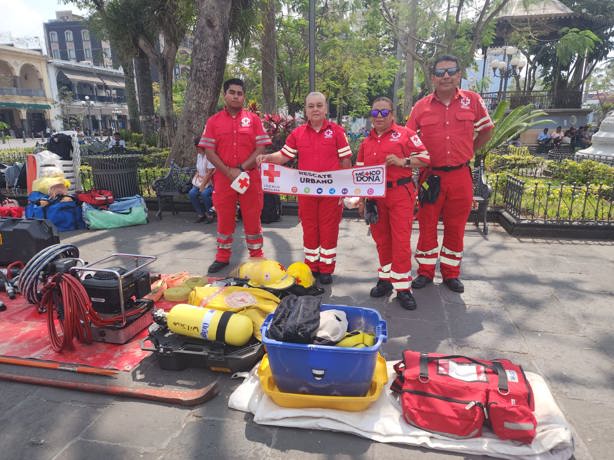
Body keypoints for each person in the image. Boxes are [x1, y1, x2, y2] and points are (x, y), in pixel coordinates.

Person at [406, 55, 494, 294]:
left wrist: (470, 151)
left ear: (458, 75)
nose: (446, 76)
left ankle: (451, 273)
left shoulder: (472, 101)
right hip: (430, 176)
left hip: (460, 176)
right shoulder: (420, 106)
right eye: (440, 72)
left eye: (451, 71)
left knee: (456, 227)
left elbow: (487, 130)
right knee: (427, 225)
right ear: (433, 77)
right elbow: (408, 138)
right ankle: (424, 271)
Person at [256, 92, 352, 285]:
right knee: (309, 229)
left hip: (330, 193)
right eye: (311, 106)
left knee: (329, 229)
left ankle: (326, 268)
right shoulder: (298, 133)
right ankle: (311, 266)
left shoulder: (337, 132)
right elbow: (284, 155)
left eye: (319, 105)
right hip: (306, 192)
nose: (315, 109)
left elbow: (345, 160)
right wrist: (268, 157)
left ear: (325, 108)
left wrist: (346, 188)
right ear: (306, 110)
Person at [355, 97, 430, 310]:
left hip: (400, 194)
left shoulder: (405, 134)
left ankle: (403, 288)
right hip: (375, 197)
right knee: (381, 240)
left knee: (400, 241)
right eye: (375, 112)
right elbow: (360, 173)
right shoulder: (366, 141)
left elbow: (426, 158)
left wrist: (402, 161)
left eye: (384, 112)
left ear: (392, 115)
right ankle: (385, 280)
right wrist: (361, 200)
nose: (379, 116)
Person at [199, 78, 272, 273]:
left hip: (250, 176)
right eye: (232, 92)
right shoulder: (213, 121)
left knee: (252, 216)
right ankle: (222, 257)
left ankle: (256, 255)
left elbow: (261, 147)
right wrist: (228, 171)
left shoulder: (253, 120)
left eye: (240, 93)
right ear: (225, 95)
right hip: (223, 178)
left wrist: (240, 168)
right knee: (224, 217)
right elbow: (209, 151)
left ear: (244, 97)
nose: (236, 96)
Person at [189, 136, 215, 224]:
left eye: (198, 147)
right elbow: (198, 169)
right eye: (196, 147)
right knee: (192, 193)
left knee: (204, 194)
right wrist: (195, 179)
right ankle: (201, 213)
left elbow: (209, 172)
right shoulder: (199, 156)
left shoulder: (209, 155)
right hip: (200, 180)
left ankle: (210, 214)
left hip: (210, 182)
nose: (197, 149)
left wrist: (202, 186)